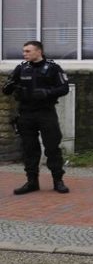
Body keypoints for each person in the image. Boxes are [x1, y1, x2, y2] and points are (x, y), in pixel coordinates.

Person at [2, 41, 70, 195]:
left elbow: (64, 88)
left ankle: (58, 181)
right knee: (29, 148)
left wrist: (47, 93)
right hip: (26, 114)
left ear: (38, 51)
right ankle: (32, 182)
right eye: (23, 51)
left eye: (28, 51)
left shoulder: (53, 68)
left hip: (45, 112)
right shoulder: (21, 68)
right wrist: (10, 86)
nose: (24, 54)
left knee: (52, 147)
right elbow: (7, 89)